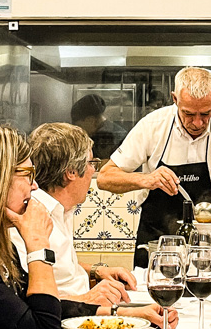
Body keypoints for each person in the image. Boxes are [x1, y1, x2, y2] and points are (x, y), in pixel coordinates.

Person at [0, 123, 176, 329]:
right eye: (26, 175)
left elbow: (29, 308)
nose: (34, 185)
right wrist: (37, 245)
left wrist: (120, 313)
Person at [97, 67, 211, 266]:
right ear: (174, 99)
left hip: (207, 245)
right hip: (157, 244)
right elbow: (105, 178)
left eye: (206, 113)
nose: (198, 122)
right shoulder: (152, 126)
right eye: (189, 113)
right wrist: (146, 179)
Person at [9, 123, 138, 306]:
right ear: (71, 172)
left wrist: (96, 271)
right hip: (63, 321)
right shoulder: (29, 216)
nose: (94, 170)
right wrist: (85, 300)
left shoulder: (63, 210)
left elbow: (60, 270)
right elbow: (25, 298)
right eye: (91, 163)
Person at [69, 93, 127, 160]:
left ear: (90, 120)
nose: (79, 130)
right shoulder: (117, 132)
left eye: (79, 125)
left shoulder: (104, 137)